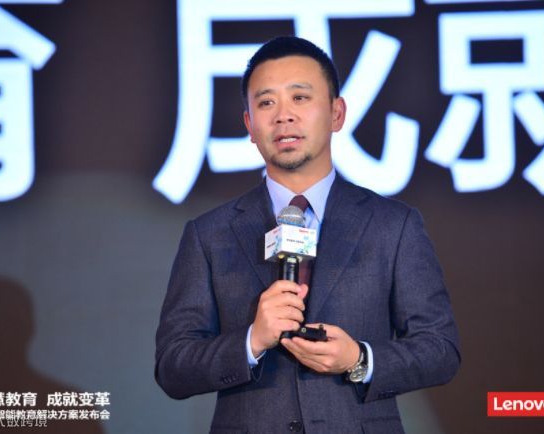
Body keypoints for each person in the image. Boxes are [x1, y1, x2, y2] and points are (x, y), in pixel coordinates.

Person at [155, 36, 460, 434]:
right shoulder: (209, 234)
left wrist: (359, 359)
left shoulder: (393, 225)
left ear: (336, 113)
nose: (283, 116)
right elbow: (173, 367)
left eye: (300, 98)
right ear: (249, 125)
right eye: (266, 102)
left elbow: (440, 350)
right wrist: (251, 341)